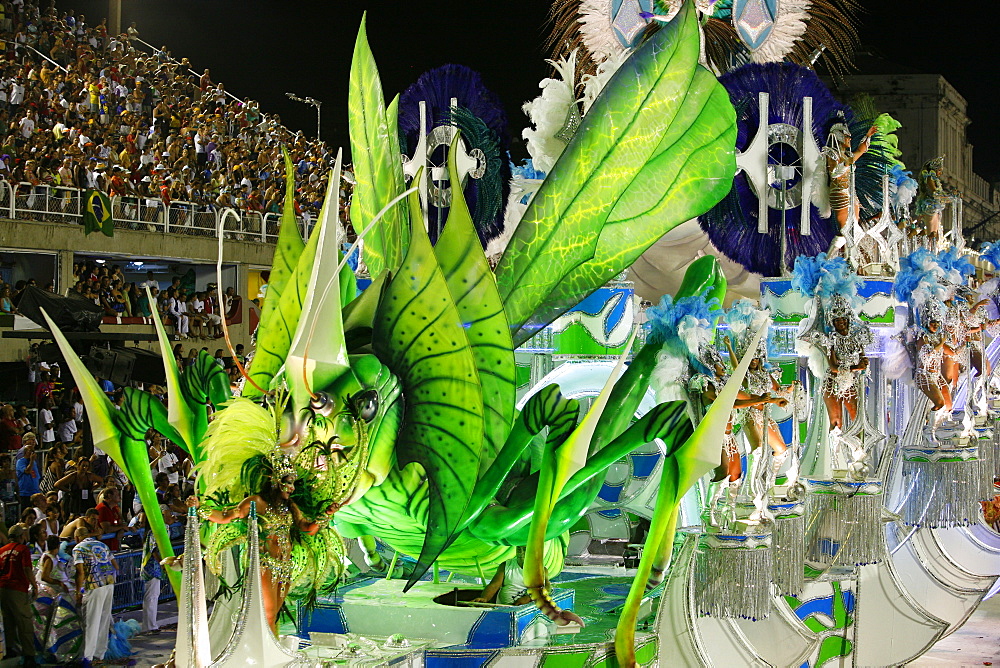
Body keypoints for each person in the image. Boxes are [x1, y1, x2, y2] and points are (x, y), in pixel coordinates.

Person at [73, 527, 117, 665]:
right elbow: (116, 565)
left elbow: (80, 572)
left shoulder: (78, 548)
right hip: (109, 582)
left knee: (91, 621)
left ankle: (87, 657)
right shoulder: (102, 545)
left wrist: (78, 591)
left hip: (94, 585)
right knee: (104, 619)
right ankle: (100, 653)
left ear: (77, 538)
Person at [0, 525, 38, 666]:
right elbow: (27, 568)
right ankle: (29, 656)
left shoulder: (1, 550)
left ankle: (9, 649)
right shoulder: (22, 549)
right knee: (24, 622)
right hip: (17, 589)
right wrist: (34, 585)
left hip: (3, 588)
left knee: (8, 620)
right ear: (21, 536)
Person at [140, 504, 172, 634]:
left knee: (154, 595)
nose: (171, 516)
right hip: (152, 567)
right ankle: (149, 626)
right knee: (151, 596)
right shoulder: (156, 530)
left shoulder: (165, 528)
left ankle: (150, 624)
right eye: (167, 513)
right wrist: (163, 563)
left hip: (157, 567)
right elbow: (153, 551)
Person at [16, 442, 40, 514]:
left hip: (35, 492)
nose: (33, 453)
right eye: (31, 451)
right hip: (25, 493)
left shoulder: (34, 462)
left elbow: (36, 476)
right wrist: (31, 461)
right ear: (26, 452)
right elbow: (27, 471)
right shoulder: (20, 462)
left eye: (33, 451)